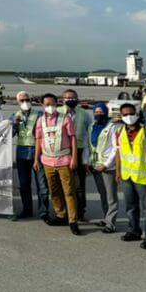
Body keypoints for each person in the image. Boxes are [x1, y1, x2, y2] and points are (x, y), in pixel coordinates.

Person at [34, 92, 80, 233]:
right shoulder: (40, 121)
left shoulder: (65, 119)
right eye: (47, 104)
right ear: (42, 105)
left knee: (69, 191)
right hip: (47, 161)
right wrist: (36, 159)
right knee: (54, 191)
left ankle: (73, 220)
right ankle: (60, 215)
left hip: (64, 160)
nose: (50, 107)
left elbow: (73, 138)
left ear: (57, 103)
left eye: (53, 104)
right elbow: (39, 140)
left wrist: (74, 158)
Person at [115, 102, 146, 247]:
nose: (129, 116)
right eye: (125, 114)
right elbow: (119, 152)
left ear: (137, 114)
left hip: (144, 177)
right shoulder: (120, 131)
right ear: (121, 116)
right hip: (127, 176)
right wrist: (118, 171)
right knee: (130, 206)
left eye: (131, 113)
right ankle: (134, 230)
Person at [87, 102, 121, 233]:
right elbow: (90, 147)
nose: (98, 114)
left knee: (111, 196)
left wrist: (106, 164)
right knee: (103, 194)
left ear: (106, 113)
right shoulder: (92, 127)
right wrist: (88, 162)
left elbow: (115, 148)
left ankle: (111, 223)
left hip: (108, 167)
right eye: (96, 112)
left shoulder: (113, 127)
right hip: (96, 165)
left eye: (101, 112)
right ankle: (106, 217)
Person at [63, 89, 93, 221]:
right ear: (63, 99)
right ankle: (65, 212)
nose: (70, 100)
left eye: (73, 97)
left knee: (80, 185)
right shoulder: (58, 112)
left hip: (80, 150)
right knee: (64, 183)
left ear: (77, 99)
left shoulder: (84, 114)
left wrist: (87, 158)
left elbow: (88, 133)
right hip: (63, 151)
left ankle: (80, 212)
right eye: (68, 98)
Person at [10, 91, 40, 220]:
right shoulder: (14, 116)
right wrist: (14, 124)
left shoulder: (39, 114)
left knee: (41, 184)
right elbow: (9, 135)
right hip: (22, 153)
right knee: (24, 184)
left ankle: (43, 211)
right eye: (22, 100)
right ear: (17, 102)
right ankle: (27, 210)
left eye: (27, 100)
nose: (25, 102)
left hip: (37, 152)